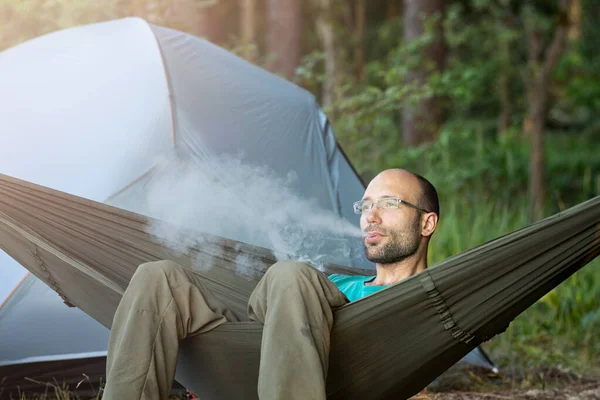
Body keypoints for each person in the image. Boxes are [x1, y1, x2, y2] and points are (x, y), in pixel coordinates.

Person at [103, 168, 439, 400]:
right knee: (157, 277)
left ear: (427, 223)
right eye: (366, 206)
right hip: (251, 354)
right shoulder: (333, 283)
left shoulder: (432, 299)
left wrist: (295, 278)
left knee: (290, 274)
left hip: (324, 376)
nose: (371, 217)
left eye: (389, 204)